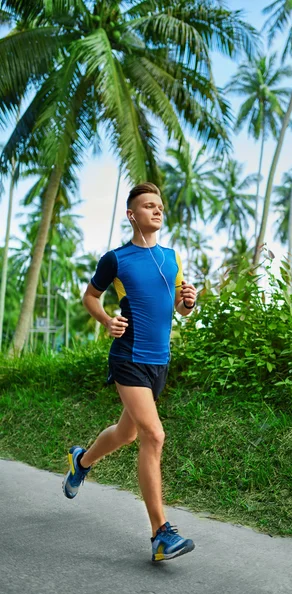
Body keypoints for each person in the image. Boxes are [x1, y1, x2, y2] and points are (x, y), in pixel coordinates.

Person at [62, 182, 197, 562]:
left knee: (127, 432)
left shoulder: (172, 258)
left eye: (159, 206)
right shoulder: (116, 259)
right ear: (131, 214)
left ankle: (81, 461)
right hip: (129, 356)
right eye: (147, 206)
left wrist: (189, 303)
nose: (156, 211)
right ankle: (160, 535)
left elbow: (179, 311)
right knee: (153, 435)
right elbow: (90, 296)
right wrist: (107, 320)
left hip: (160, 361)